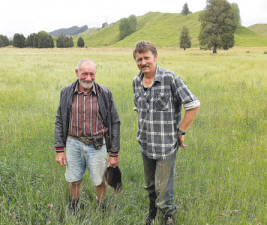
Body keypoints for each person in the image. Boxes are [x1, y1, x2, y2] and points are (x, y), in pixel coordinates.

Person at [132, 41, 200, 225]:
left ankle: (168, 217)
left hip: (165, 146)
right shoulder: (136, 82)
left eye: (146, 57)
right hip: (145, 144)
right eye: (139, 59)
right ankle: (152, 213)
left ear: (155, 57)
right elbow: (137, 108)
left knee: (164, 190)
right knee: (151, 186)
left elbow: (193, 105)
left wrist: (181, 130)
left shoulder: (170, 78)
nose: (143, 62)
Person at [54, 58, 120, 211]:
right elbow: (59, 120)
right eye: (84, 74)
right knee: (74, 179)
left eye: (92, 74)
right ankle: (74, 208)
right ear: (77, 72)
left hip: (97, 144)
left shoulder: (104, 93)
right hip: (73, 143)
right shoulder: (66, 91)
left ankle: (102, 209)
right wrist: (59, 150)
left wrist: (114, 153)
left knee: (100, 181)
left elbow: (114, 122)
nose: (88, 78)